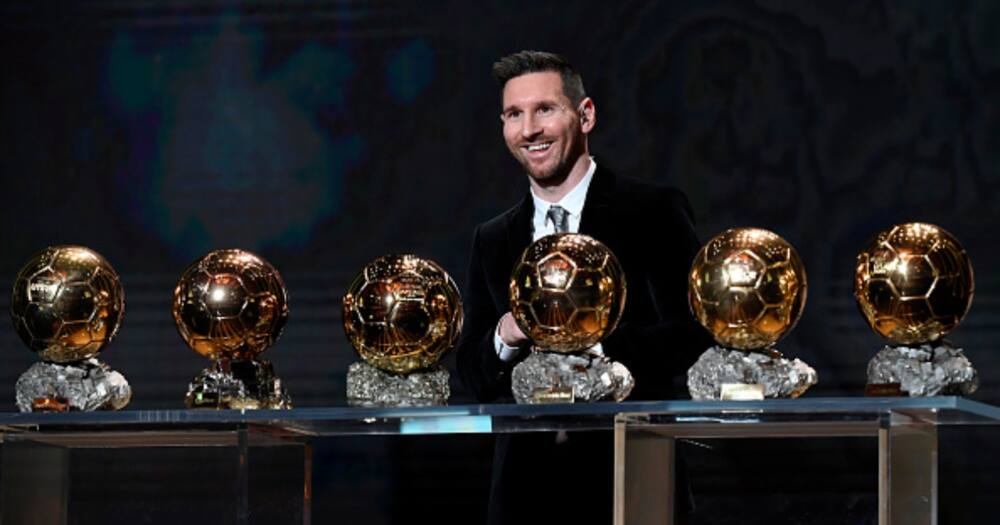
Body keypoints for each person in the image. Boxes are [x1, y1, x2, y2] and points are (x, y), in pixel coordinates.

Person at [455, 50, 712, 524]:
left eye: (545, 110)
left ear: (585, 115)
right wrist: (506, 335)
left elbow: (695, 332)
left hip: (629, 483)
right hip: (522, 500)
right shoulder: (492, 240)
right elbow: (468, 372)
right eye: (514, 114)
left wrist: (590, 343)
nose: (529, 129)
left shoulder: (652, 210)